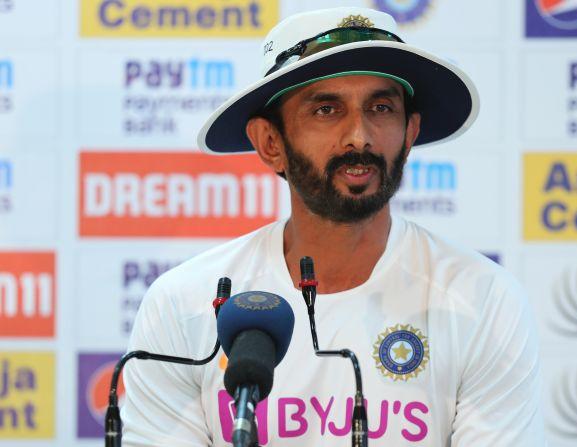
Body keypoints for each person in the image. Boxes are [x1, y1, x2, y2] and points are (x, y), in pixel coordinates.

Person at [121, 7, 546, 446]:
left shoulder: (483, 301)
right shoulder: (183, 302)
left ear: (409, 132)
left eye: (381, 108)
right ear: (270, 143)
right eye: (326, 109)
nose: (359, 136)